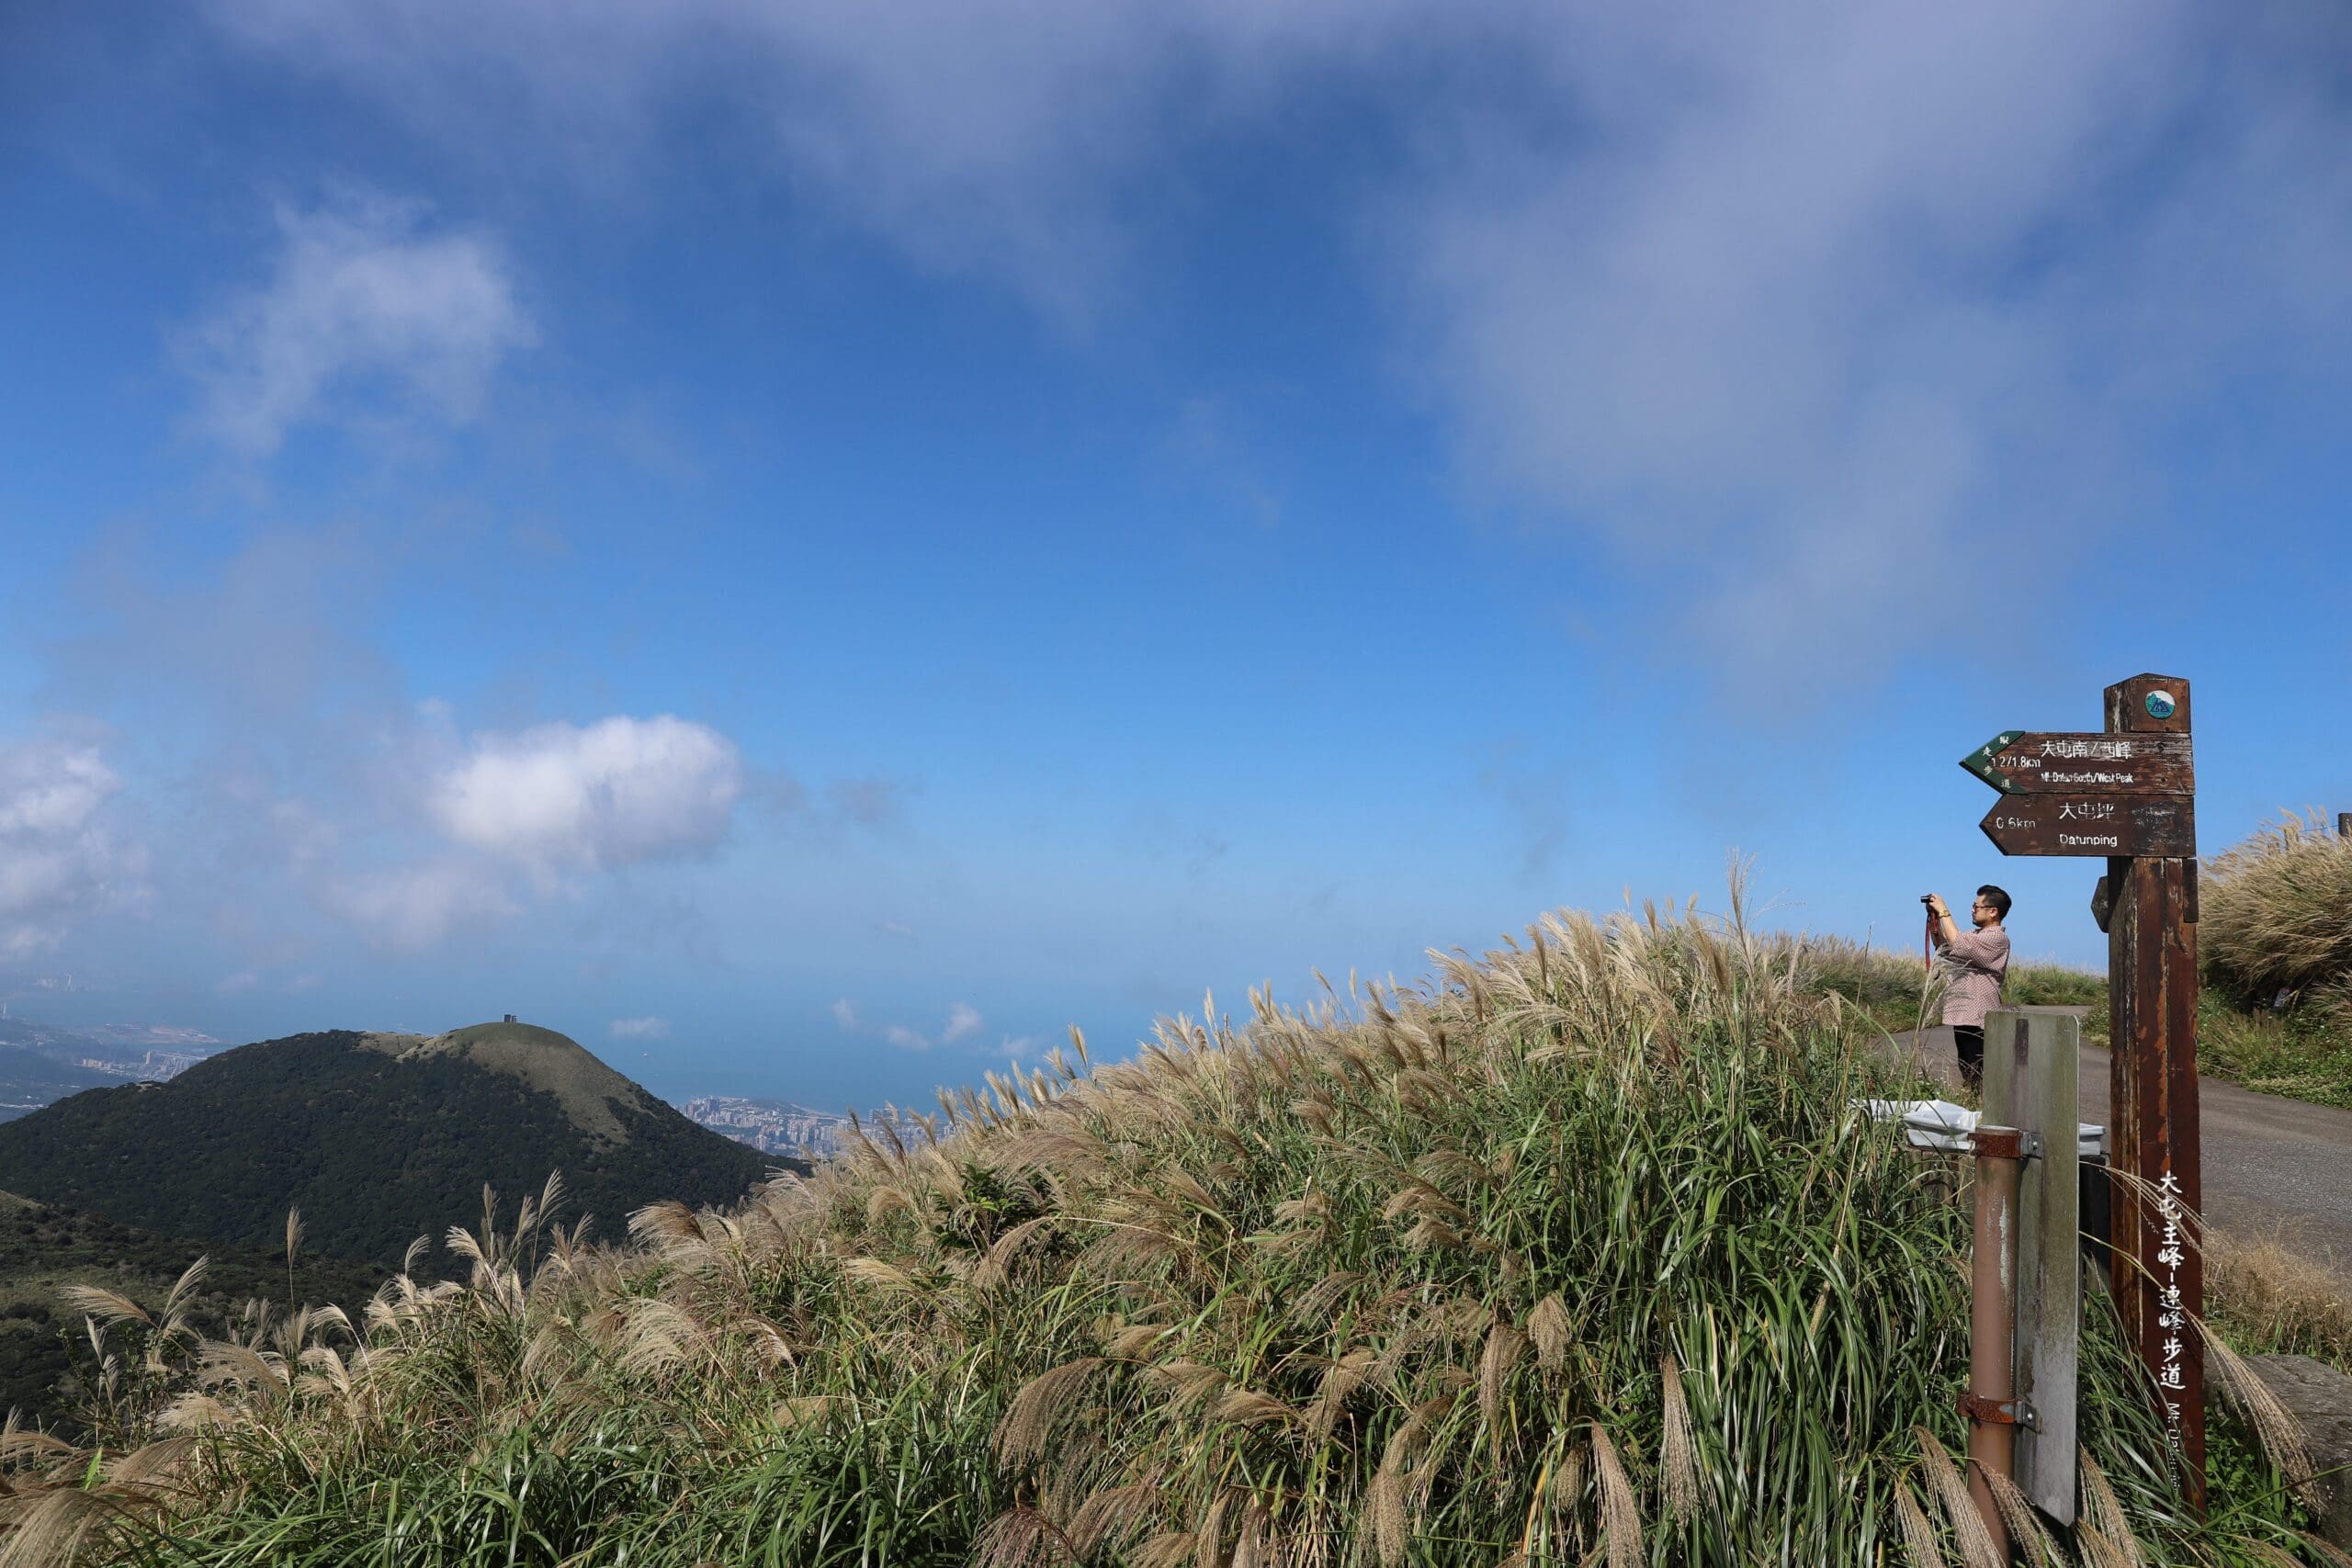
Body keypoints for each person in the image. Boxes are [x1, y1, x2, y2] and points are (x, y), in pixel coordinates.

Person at [1927, 886, 2010, 1091]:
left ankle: (1983, 1104)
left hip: (1979, 1016)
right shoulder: (1976, 935)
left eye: (1976, 906)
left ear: (1993, 911)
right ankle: (1973, 1101)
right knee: (1968, 1068)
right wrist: (1935, 918)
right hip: (1965, 1014)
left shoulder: (1997, 938)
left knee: (1979, 1069)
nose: (1973, 910)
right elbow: (1946, 946)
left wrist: (1943, 910)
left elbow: (1958, 943)